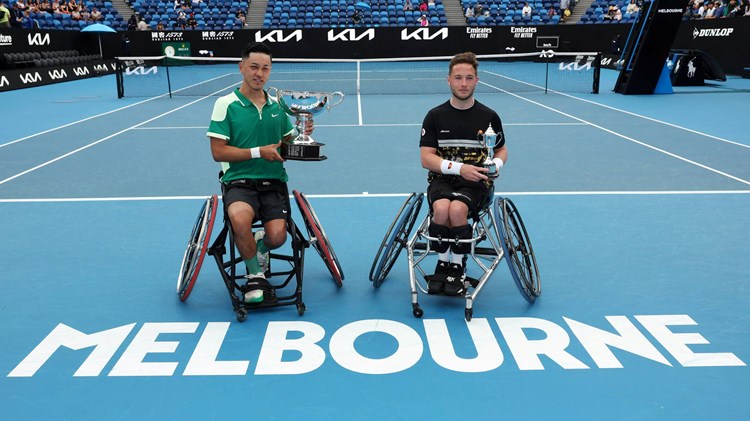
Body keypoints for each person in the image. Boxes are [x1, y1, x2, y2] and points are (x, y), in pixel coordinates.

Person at [206, 42, 314, 304]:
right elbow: (218, 152)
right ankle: (255, 275)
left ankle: (260, 247)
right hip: (239, 182)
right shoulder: (225, 104)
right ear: (241, 67)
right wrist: (258, 152)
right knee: (239, 219)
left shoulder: (279, 105)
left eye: (265, 68)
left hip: (273, 182)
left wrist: (303, 133)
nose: (259, 73)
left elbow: (288, 142)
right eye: (254, 67)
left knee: (277, 237)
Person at [419, 52, 507, 296]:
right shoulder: (435, 116)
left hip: (477, 183)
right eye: (458, 78)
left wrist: (495, 167)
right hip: (442, 180)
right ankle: (443, 263)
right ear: (448, 80)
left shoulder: (489, 117)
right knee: (441, 209)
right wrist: (460, 169)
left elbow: (500, 149)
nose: (464, 83)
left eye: (469, 78)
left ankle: (457, 267)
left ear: (477, 80)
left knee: (457, 210)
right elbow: (427, 158)